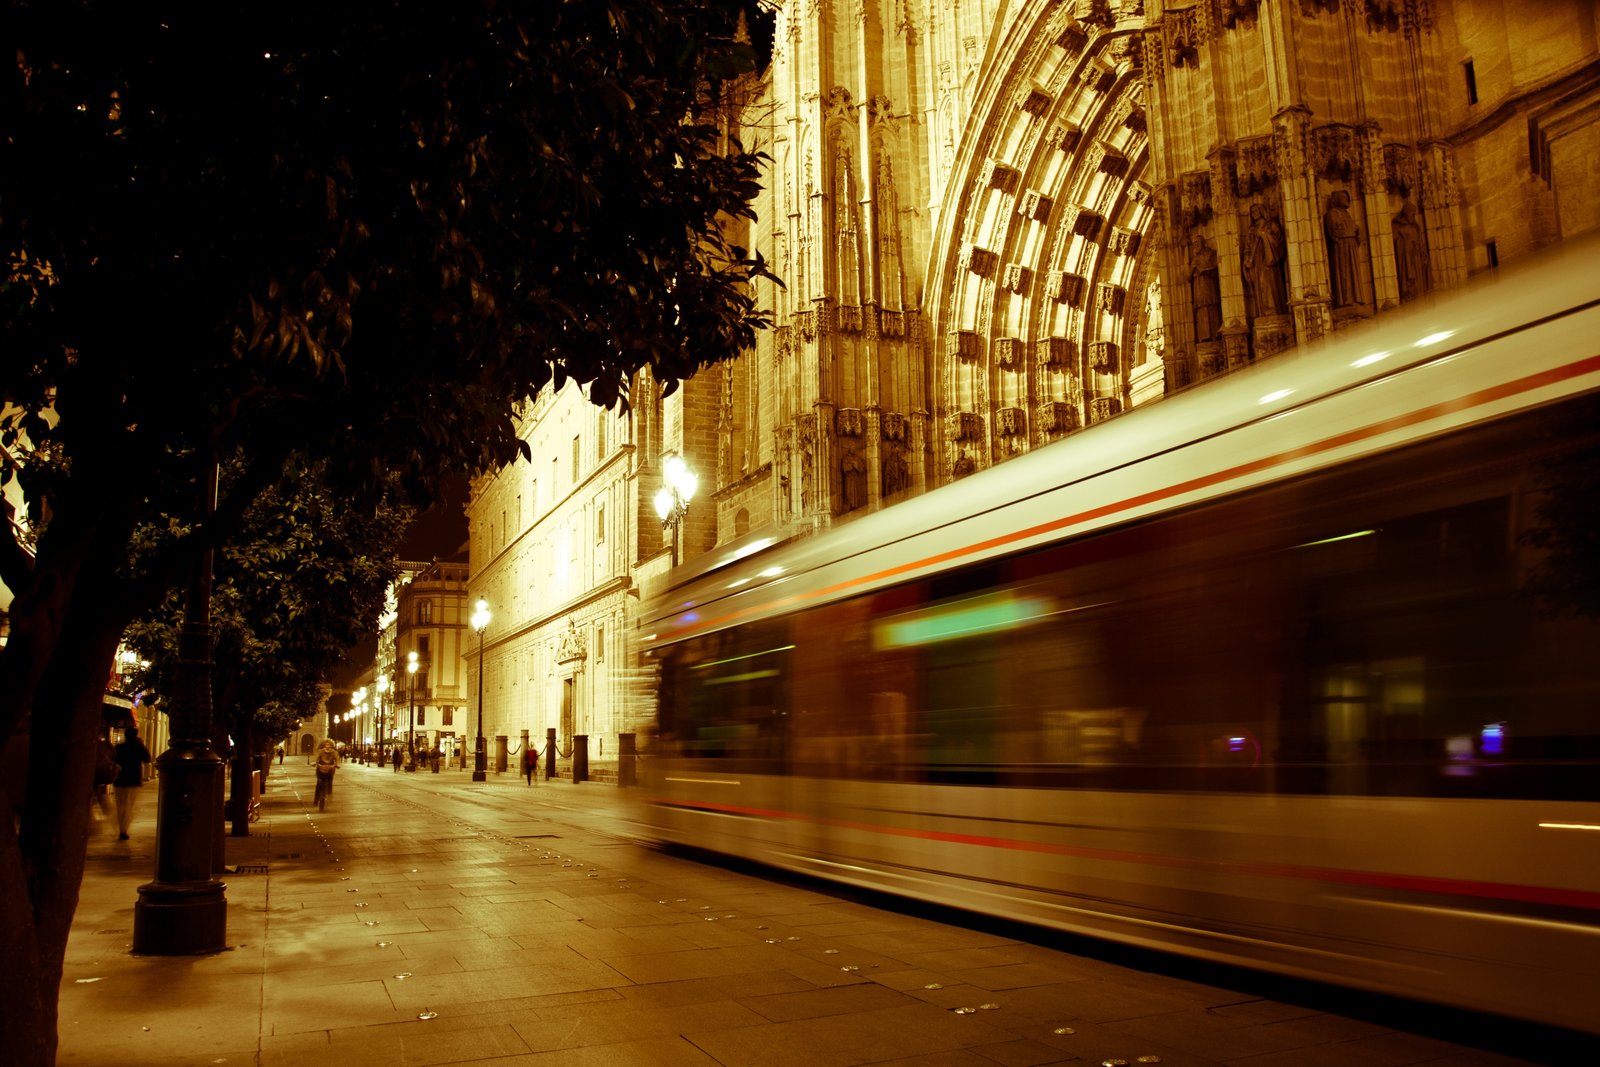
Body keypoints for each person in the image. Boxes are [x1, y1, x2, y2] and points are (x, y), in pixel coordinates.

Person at [112, 726, 153, 841]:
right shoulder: (138, 747)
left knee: (120, 806)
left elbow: (113, 761)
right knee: (129, 806)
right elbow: (147, 759)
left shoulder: (118, 748)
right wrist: (142, 744)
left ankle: (121, 828)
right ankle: (124, 830)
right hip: (133, 780)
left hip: (119, 780)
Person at [313, 738, 340, 810]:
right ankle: (316, 800)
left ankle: (329, 794)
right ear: (324, 745)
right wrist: (315, 763)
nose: (328, 746)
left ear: (332, 746)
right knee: (318, 784)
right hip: (320, 770)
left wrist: (337, 764)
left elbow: (337, 759)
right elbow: (316, 759)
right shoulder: (320, 752)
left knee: (330, 783)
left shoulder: (334, 752)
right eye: (326, 745)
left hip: (330, 770)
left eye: (329, 745)